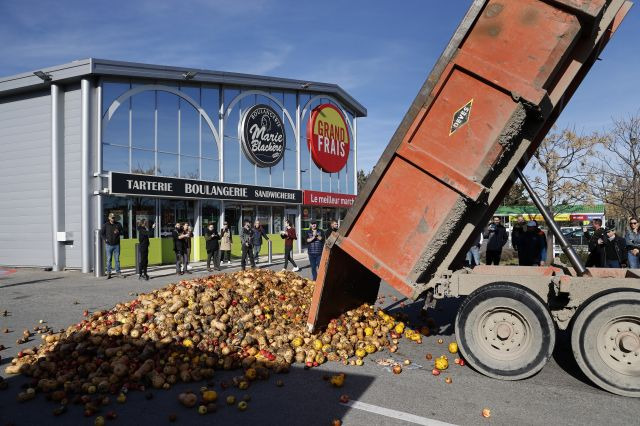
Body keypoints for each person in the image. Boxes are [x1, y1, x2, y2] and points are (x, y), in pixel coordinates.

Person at [100, 212, 124, 279]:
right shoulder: (106, 225)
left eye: (114, 217)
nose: (113, 219)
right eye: (112, 217)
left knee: (117, 260)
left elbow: (122, 232)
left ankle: (118, 273)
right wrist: (105, 239)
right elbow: (101, 233)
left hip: (117, 245)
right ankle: (109, 273)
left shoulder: (118, 224)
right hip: (109, 245)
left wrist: (118, 231)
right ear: (109, 218)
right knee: (109, 260)